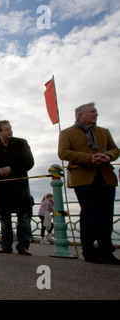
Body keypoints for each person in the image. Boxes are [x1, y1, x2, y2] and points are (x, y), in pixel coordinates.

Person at [58, 102, 119, 264]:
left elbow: (115, 150)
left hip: (105, 176)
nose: (96, 114)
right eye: (92, 112)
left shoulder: (104, 132)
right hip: (83, 178)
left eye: (96, 112)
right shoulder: (67, 133)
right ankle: (89, 251)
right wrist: (89, 158)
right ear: (80, 115)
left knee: (106, 216)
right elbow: (63, 152)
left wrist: (107, 156)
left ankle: (106, 251)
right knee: (89, 215)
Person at [0, 120, 35, 255]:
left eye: (10, 129)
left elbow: (29, 162)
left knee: (24, 218)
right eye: (6, 129)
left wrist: (11, 169)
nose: (10, 131)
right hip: (3, 189)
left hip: (20, 188)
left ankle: (23, 246)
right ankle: (5, 245)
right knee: (4, 218)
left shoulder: (21, 143)